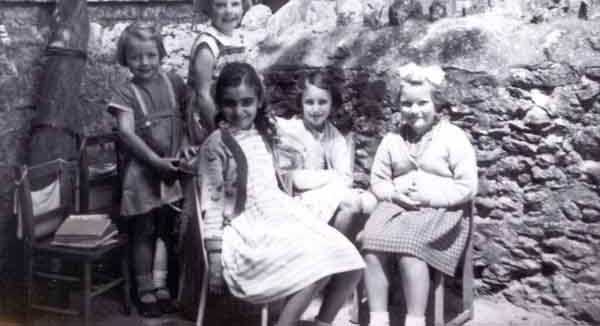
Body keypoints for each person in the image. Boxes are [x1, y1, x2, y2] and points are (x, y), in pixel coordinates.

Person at [194, 62, 365, 326]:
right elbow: (213, 205)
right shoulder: (216, 145)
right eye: (229, 103)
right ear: (219, 103)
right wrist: (214, 259)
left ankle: (323, 321)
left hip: (279, 216)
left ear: (259, 101)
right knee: (314, 266)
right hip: (245, 229)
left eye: (247, 102)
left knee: (350, 261)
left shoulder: (264, 134)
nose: (239, 111)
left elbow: (287, 155)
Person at [361, 63, 478, 326]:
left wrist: (431, 197)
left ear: (437, 104)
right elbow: (378, 181)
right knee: (370, 241)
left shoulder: (453, 137)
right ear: (399, 105)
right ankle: (379, 319)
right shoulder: (392, 140)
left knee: (410, 247)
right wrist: (393, 194)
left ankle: (415, 320)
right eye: (407, 104)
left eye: (422, 103)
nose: (414, 111)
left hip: (443, 212)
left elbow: (468, 186)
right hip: (398, 208)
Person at [108, 22, 192, 317]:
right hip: (143, 171)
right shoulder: (125, 91)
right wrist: (155, 162)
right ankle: (144, 288)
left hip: (171, 166)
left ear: (160, 54)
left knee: (166, 227)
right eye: (136, 57)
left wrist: (182, 147)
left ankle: (161, 284)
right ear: (125, 59)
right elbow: (127, 133)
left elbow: (184, 118)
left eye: (151, 55)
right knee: (143, 229)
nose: (144, 63)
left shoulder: (173, 82)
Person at [277, 70, 376, 239]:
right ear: (301, 103)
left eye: (322, 102)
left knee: (368, 202)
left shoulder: (334, 137)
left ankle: (341, 244)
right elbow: (291, 178)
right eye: (309, 102)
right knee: (350, 202)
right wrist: (330, 176)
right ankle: (334, 250)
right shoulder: (289, 131)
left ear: (332, 104)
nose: (316, 109)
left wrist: (333, 179)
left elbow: (345, 177)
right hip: (296, 196)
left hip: (325, 192)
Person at [186, 0, 252, 145]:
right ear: (208, 8)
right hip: (210, 121)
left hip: (235, 113)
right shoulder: (208, 46)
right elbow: (203, 96)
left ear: (243, 6)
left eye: (235, 4)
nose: (229, 11)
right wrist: (217, 132)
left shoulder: (240, 38)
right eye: (221, 5)